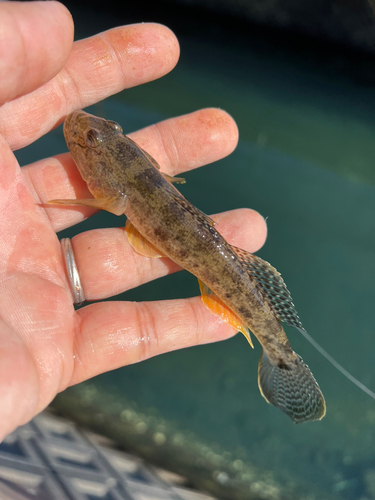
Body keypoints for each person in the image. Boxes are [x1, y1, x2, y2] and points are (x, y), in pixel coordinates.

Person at [0, 1, 267, 440]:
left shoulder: (117, 188)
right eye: (93, 137)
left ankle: (276, 352)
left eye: (92, 137)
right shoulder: (126, 180)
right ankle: (272, 341)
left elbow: (117, 198)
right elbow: (119, 197)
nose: (84, 131)